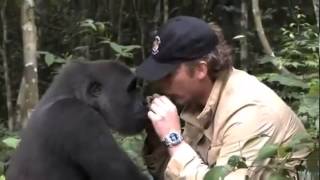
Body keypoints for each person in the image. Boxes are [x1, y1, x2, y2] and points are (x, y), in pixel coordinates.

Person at [136, 16, 310, 180]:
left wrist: (173, 140)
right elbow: (173, 174)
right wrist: (157, 138)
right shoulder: (197, 102)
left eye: (167, 75)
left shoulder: (249, 111)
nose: (159, 84)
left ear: (200, 70)